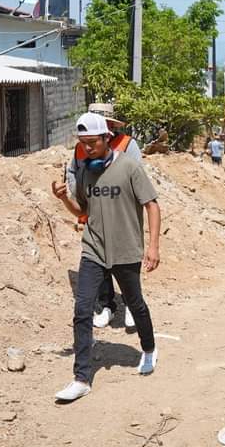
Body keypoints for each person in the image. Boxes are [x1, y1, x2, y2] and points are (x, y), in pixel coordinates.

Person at [51, 113, 160, 402]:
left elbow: (151, 205)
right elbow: (81, 212)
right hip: (94, 249)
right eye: (82, 144)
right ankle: (82, 378)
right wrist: (63, 198)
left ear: (106, 139)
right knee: (82, 310)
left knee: (135, 304)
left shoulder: (129, 167)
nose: (87, 149)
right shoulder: (86, 171)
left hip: (126, 249)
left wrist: (153, 246)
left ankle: (149, 349)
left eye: (92, 143)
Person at [65, 102, 143, 330]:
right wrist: (79, 195)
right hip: (95, 213)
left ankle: (131, 303)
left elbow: (136, 177)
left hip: (122, 213)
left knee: (124, 261)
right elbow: (73, 171)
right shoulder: (81, 149)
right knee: (98, 259)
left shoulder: (128, 145)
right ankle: (106, 305)